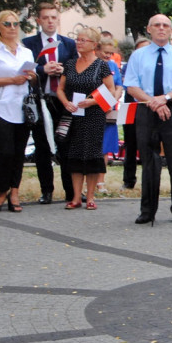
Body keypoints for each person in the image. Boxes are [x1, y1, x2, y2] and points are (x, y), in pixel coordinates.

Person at [123, 14, 172, 226]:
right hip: (146, 110)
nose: (161, 28)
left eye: (166, 25)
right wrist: (153, 102)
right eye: (157, 25)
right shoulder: (138, 56)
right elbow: (131, 86)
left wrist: (164, 99)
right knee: (149, 162)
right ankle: (147, 210)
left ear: (170, 29)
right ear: (149, 29)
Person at [0, 10, 39, 213]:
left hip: (21, 108)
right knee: (5, 152)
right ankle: (2, 191)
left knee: (19, 152)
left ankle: (14, 191)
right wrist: (11, 79)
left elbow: (34, 79)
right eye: (7, 24)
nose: (12, 28)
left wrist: (32, 76)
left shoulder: (25, 51)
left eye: (15, 24)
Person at [22, 3, 77, 204]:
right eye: (46, 18)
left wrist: (63, 70)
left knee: (66, 144)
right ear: (39, 21)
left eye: (53, 17)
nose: (50, 21)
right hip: (40, 101)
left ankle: (71, 191)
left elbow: (75, 67)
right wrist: (42, 69)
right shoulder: (29, 43)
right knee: (42, 145)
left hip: (62, 101)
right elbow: (25, 67)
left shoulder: (68, 43)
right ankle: (47, 190)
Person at [56, 28, 115, 210]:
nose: (79, 43)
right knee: (73, 155)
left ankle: (90, 197)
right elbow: (60, 88)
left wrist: (91, 102)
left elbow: (111, 92)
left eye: (83, 40)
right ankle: (75, 197)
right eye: (78, 39)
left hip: (93, 116)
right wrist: (66, 103)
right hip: (73, 115)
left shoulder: (101, 65)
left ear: (94, 45)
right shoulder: (70, 63)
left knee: (91, 156)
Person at [119, 37, 150, 190]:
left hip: (147, 107)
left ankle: (149, 178)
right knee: (129, 144)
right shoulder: (130, 65)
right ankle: (128, 179)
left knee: (149, 144)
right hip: (130, 106)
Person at [96, 35, 124, 194]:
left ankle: (101, 181)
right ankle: (91, 180)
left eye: (110, 53)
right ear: (97, 50)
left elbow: (119, 85)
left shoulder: (113, 65)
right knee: (92, 147)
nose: (108, 56)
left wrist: (114, 98)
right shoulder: (93, 64)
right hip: (94, 108)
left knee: (105, 148)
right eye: (105, 52)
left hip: (109, 110)